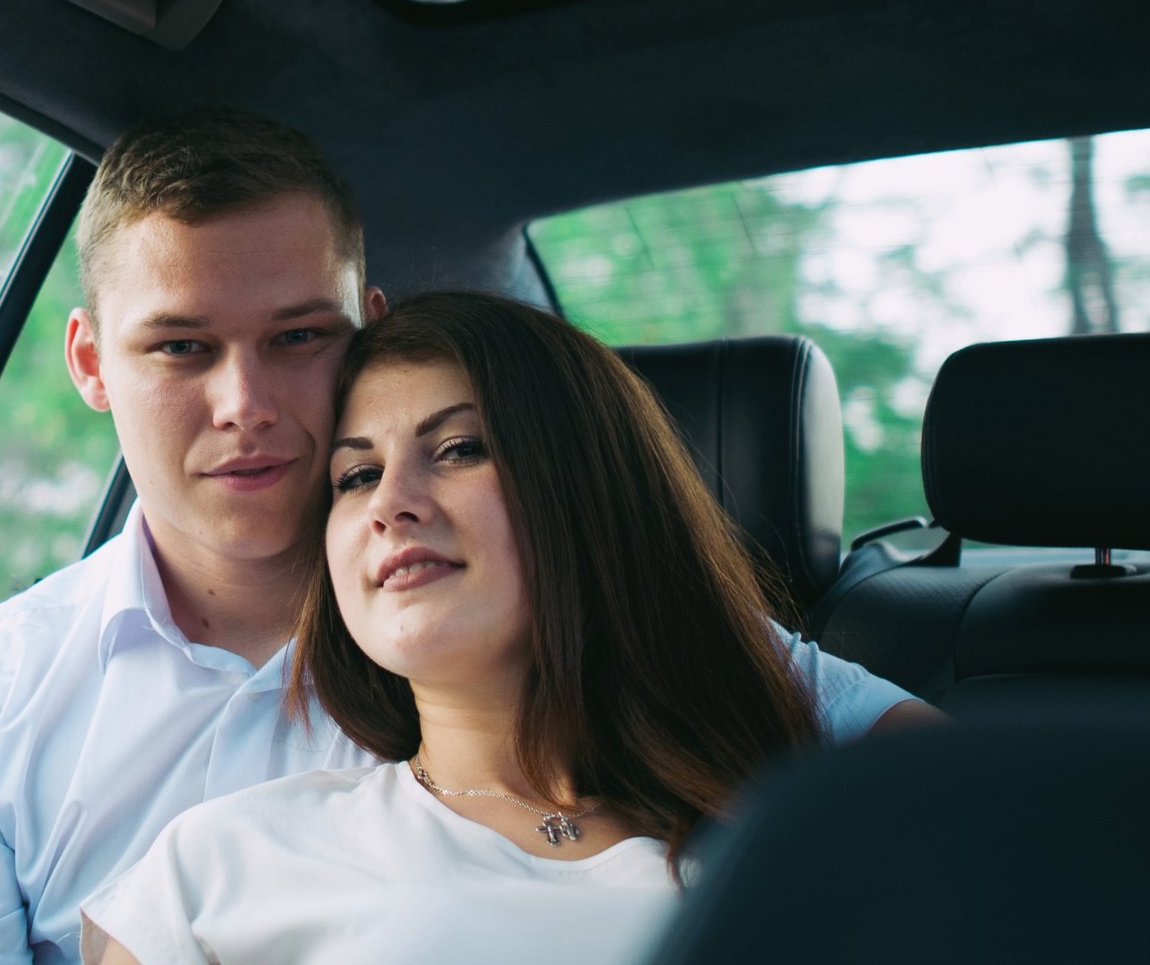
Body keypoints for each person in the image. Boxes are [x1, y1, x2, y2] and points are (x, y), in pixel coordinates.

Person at [0, 110, 932, 965]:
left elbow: (964, 804)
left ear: (368, 332)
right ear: (91, 362)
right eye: (182, 347)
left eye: (298, 335)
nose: (245, 403)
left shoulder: (621, 636)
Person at [81, 291, 892, 965]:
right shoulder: (221, 865)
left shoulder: (813, 829)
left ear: (586, 490)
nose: (391, 503)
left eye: (459, 448)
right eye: (356, 474)